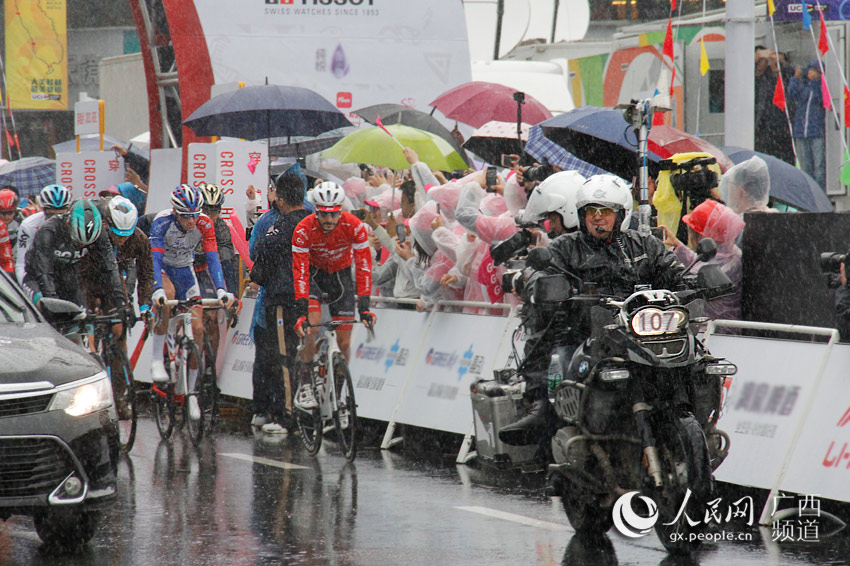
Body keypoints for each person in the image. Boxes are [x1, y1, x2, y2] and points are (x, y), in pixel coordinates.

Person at [499, 175, 690, 446]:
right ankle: (542, 409)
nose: (597, 218)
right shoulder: (566, 246)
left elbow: (674, 271)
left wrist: (695, 283)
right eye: (591, 211)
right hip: (584, 332)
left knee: (695, 360)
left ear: (620, 215)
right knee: (558, 355)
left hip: (641, 333)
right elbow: (537, 272)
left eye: (605, 212)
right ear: (581, 214)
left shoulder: (644, 244)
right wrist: (542, 284)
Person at [149, 185, 234, 422]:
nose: (191, 221)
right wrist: (157, 288)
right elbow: (154, 258)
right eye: (186, 215)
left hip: (186, 273)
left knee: (198, 330)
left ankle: (191, 394)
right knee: (167, 299)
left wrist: (221, 289)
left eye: (195, 214)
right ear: (176, 212)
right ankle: (157, 360)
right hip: (165, 270)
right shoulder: (162, 222)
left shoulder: (204, 223)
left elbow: (214, 258)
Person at [291, 181, 375, 411]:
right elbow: (300, 271)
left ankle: (338, 396)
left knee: (345, 342)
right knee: (312, 329)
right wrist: (301, 310)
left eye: (334, 214)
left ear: (341, 210)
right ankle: (306, 383)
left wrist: (365, 305)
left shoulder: (354, 225)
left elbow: (364, 266)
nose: (329, 219)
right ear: (316, 211)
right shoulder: (303, 229)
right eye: (324, 214)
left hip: (340, 279)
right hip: (314, 278)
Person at [249, 174, 312, 433]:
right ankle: (307, 414)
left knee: (283, 357)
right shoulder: (314, 220)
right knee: (304, 357)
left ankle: (287, 416)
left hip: (283, 298)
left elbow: (258, 251)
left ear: (281, 200)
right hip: (311, 298)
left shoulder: (281, 223)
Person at [24, 199, 128, 317]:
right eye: (78, 241)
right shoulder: (49, 230)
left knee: (85, 320)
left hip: (68, 278)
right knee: (44, 309)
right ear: (69, 224)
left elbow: (111, 267)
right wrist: (53, 304)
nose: (82, 246)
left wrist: (120, 301)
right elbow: (44, 272)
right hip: (37, 278)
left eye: (86, 244)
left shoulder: (100, 233)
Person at [662, 199, 745, 321]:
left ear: (702, 237)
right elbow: (701, 261)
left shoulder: (724, 267)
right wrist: (678, 245)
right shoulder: (730, 253)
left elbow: (696, 274)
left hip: (714, 327)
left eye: (691, 231)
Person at [16, 184, 72, 288]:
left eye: (60, 214)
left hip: (66, 273)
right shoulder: (29, 225)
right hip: (38, 272)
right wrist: (28, 289)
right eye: (51, 215)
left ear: (68, 210)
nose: (56, 220)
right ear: (43, 209)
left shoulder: (75, 224)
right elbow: (21, 265)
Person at [788, 59, 826, 190]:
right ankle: (808, 192)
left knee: (819, 166)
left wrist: (816, 82)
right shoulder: (803, 86)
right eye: (810, 70)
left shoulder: (820, 87)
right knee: (805, 166)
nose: (811, 73)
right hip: (801, 132)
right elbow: (791, 93)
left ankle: (820, 192)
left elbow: (820, 98)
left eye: (815, 70)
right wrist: (795, 78)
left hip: (816, 132)